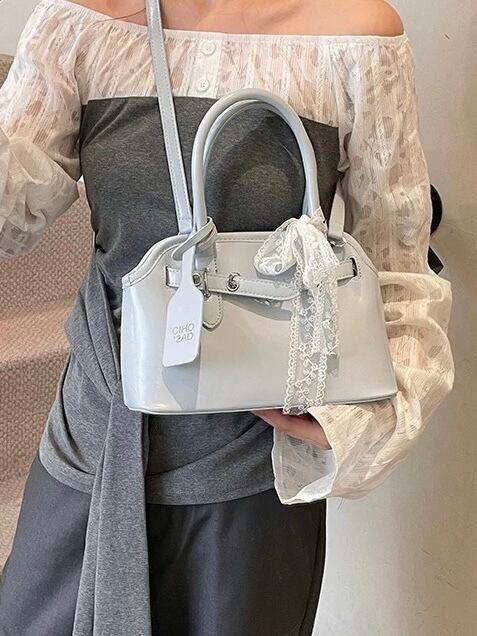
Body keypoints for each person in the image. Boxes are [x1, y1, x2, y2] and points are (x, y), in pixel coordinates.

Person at [0, 0, 455, 634]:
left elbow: (397, 267)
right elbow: (12, 217)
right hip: (96, 428)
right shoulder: (84, 23)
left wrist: (356, 422)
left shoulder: (356, 36)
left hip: (251, 461)